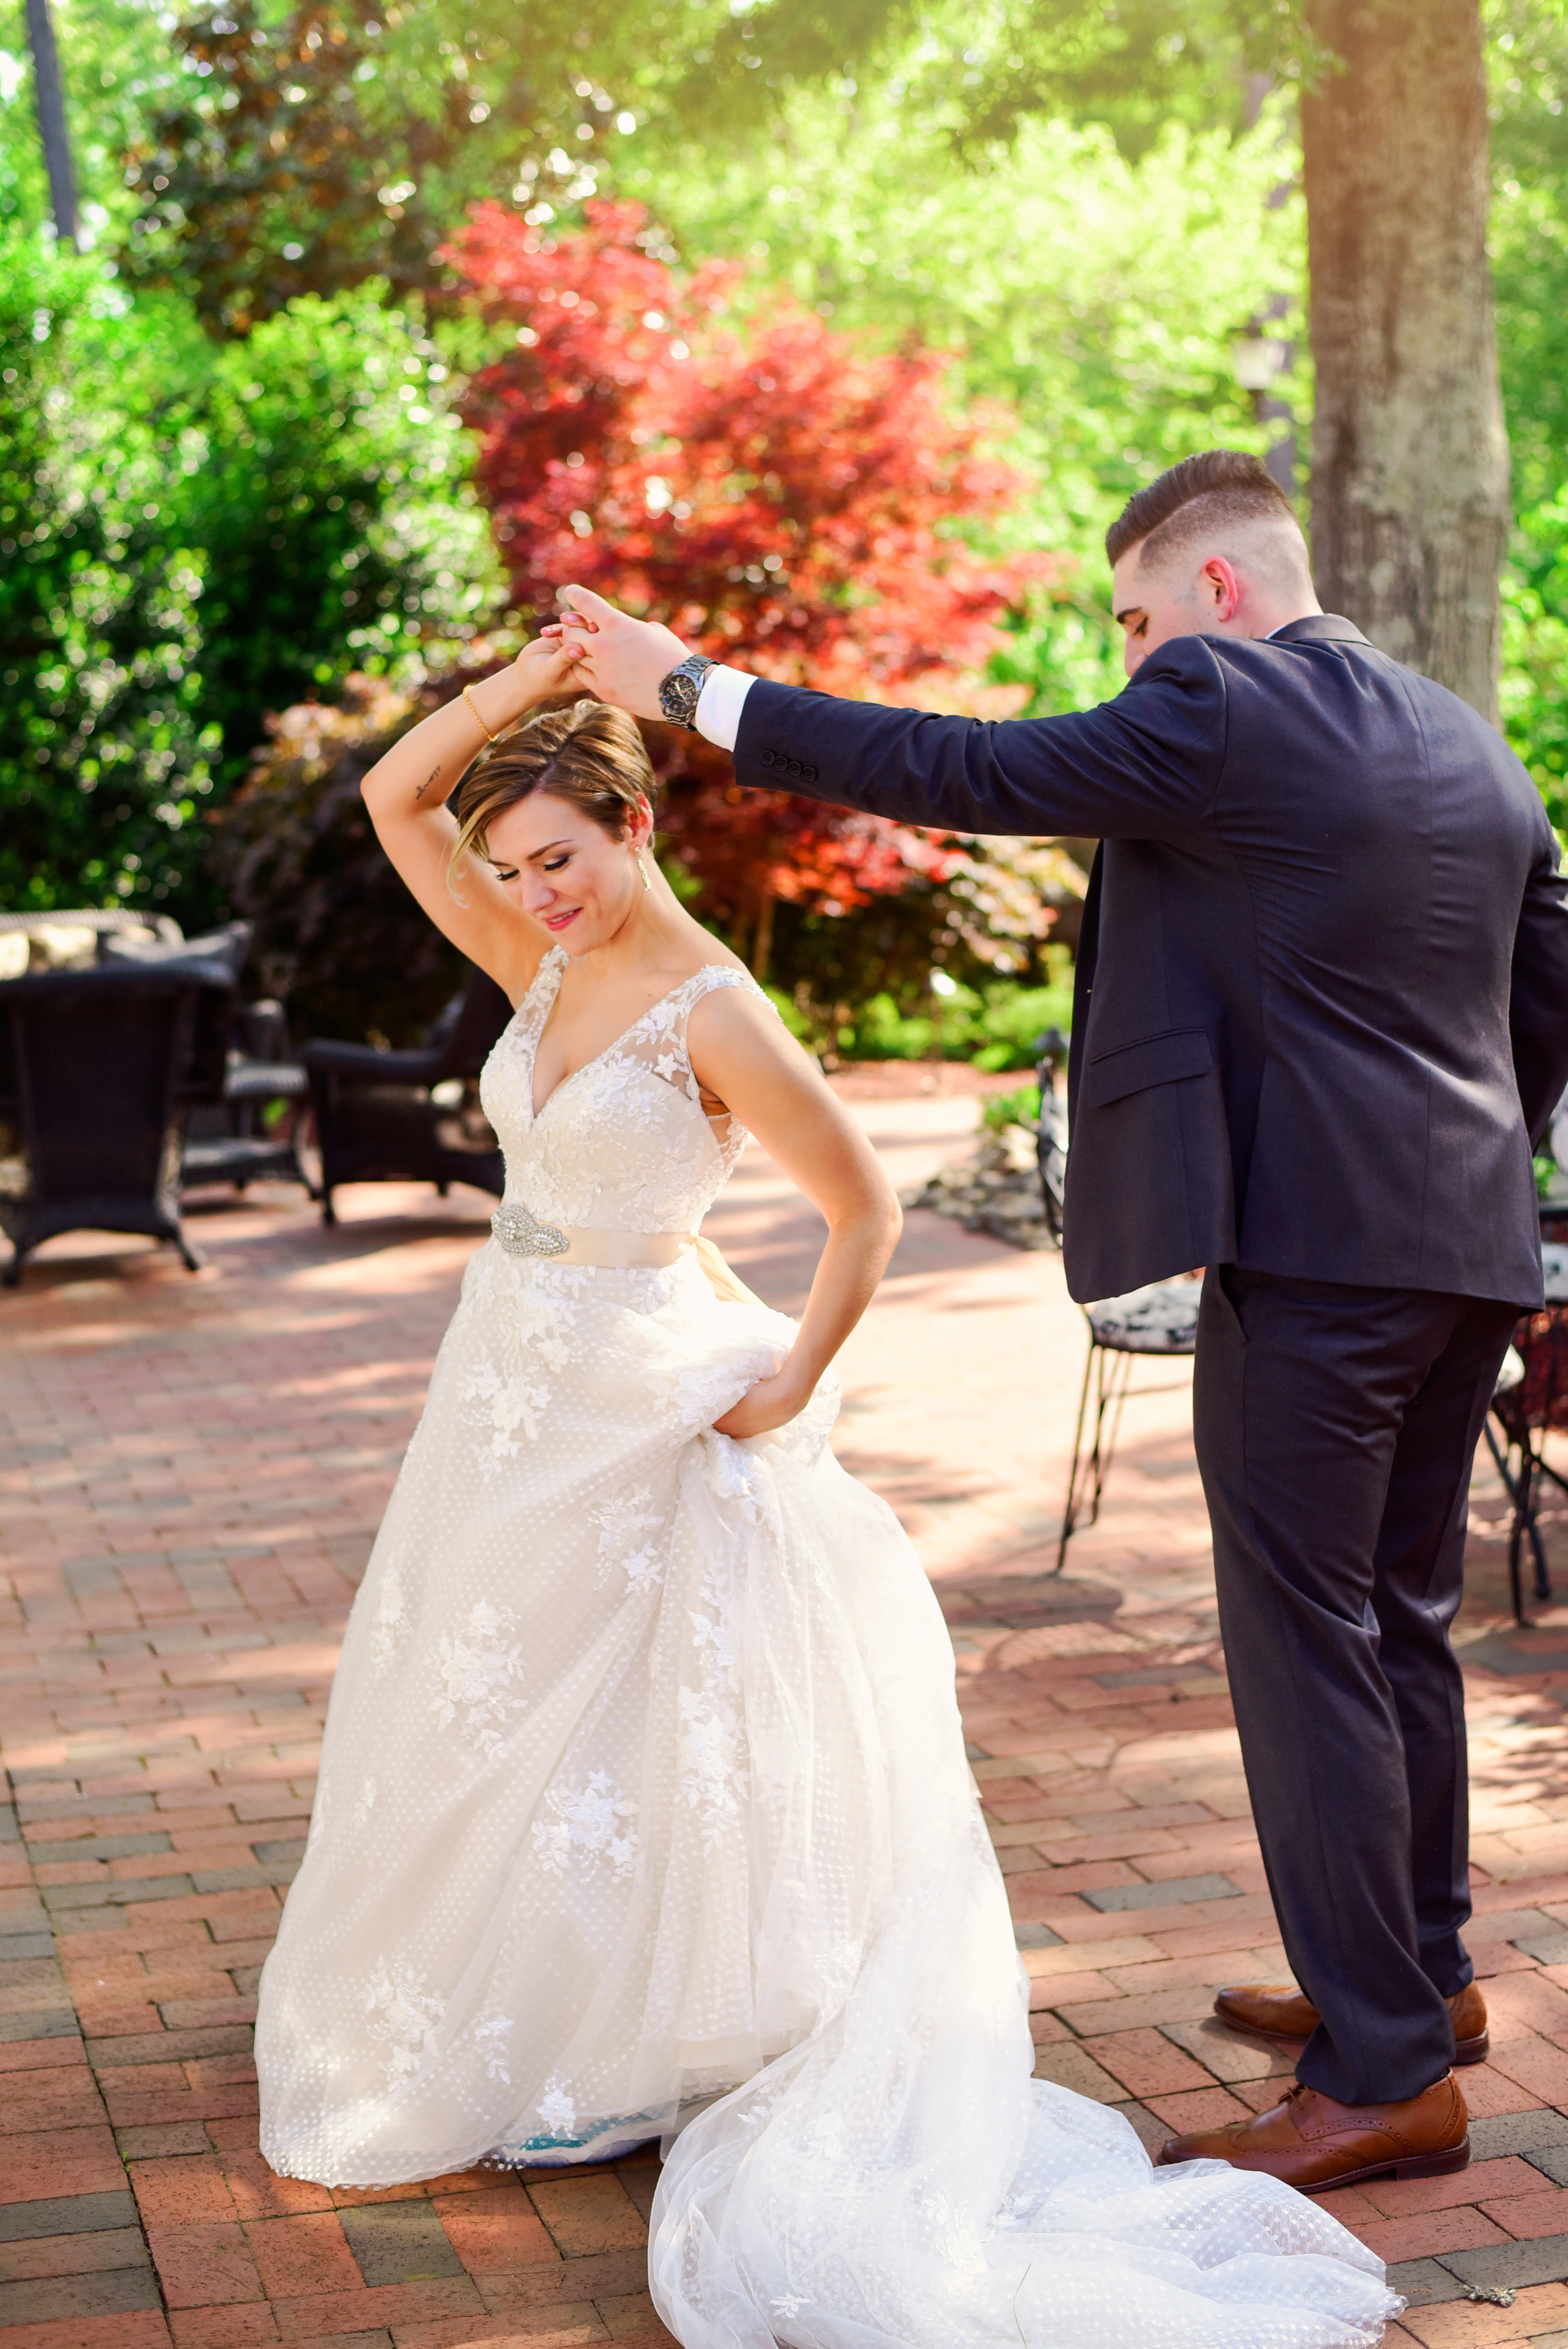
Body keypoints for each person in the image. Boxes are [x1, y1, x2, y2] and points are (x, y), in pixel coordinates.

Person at [254, 630, 1397, 2349]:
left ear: (636, 827)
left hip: (644, 1388)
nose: (533, 891)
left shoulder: (713, 1007)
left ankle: (632, 2039)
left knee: (626, 1716)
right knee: (486, 1696)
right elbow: (388, 793)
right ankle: (538, 2014)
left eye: (561, 855)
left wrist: (789, 1379)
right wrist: (530, 684)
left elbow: (861, 1206)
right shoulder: (532, 960)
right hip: (505, 1385)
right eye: (514, 870)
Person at [553, 447, 1568, 2200]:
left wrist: (692, 690)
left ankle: (1385, 2070)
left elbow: (965, 769)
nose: (1128, 655)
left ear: (1218, 594)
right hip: (1463, 1247)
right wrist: (1463, 1171)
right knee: (1397, 1616)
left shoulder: (1217, 698)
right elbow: (1545, 977)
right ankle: (1417, 1980)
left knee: (1306, 1637)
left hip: (1317, 1260)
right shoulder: (1462, 739)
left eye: (1133, 615)